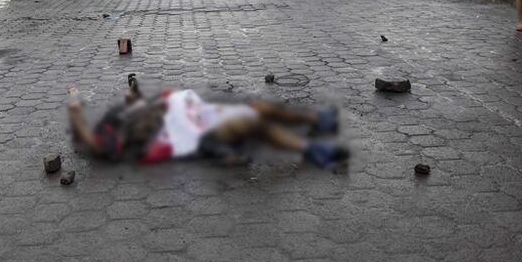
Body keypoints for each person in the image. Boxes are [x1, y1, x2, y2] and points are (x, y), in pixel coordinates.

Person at [66, 77, 348, 168]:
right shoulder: (114, 137)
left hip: (193, 113)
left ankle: (317, 120)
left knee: (261, 107)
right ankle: (310, 149)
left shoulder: (127, 114)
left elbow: (138, 104)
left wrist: (134, 96)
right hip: (189, 132)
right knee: (252, 122)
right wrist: (75, 111)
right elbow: (90, 141)